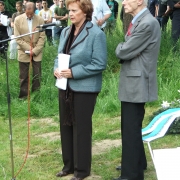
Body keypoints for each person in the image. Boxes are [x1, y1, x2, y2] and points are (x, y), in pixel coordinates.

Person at [53, 0, 107, 179]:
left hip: (84, 88)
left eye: (74, 10)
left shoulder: (96, 34)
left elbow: (99, 64)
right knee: (65, 125)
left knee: (81, 128)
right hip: (64, 86)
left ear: (85, 11)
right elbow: (59, 55)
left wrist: (74, 73)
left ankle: (81, 170)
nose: (70, 14)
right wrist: (56, 69)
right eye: (69, 10)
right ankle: (68, 165)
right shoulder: (66, 31)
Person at [113, 0, 161, 179]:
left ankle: (132, 174)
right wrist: (129, 48)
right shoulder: (140, 21)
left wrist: (122, 47)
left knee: (131, 127)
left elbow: (123, 51)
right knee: (131, 126)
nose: (123, 2)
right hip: (134, 81)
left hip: (137, 83)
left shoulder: (147, 23)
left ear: (140, 1)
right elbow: (130, 50)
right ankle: (137, 162)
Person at [14, 2, 46, 99]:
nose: (29, 15)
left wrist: (35, 50)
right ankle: (23, 97)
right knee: (23, 76)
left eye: (31, 14)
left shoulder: (40, 20)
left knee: (37, 75)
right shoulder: (18, 20)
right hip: (23, 51)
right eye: (28, 13)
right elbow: (18, 38)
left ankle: (36, 97)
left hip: (37, 52)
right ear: (24, 10)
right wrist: (29, 49)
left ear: (34, 11)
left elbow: (42, 37)